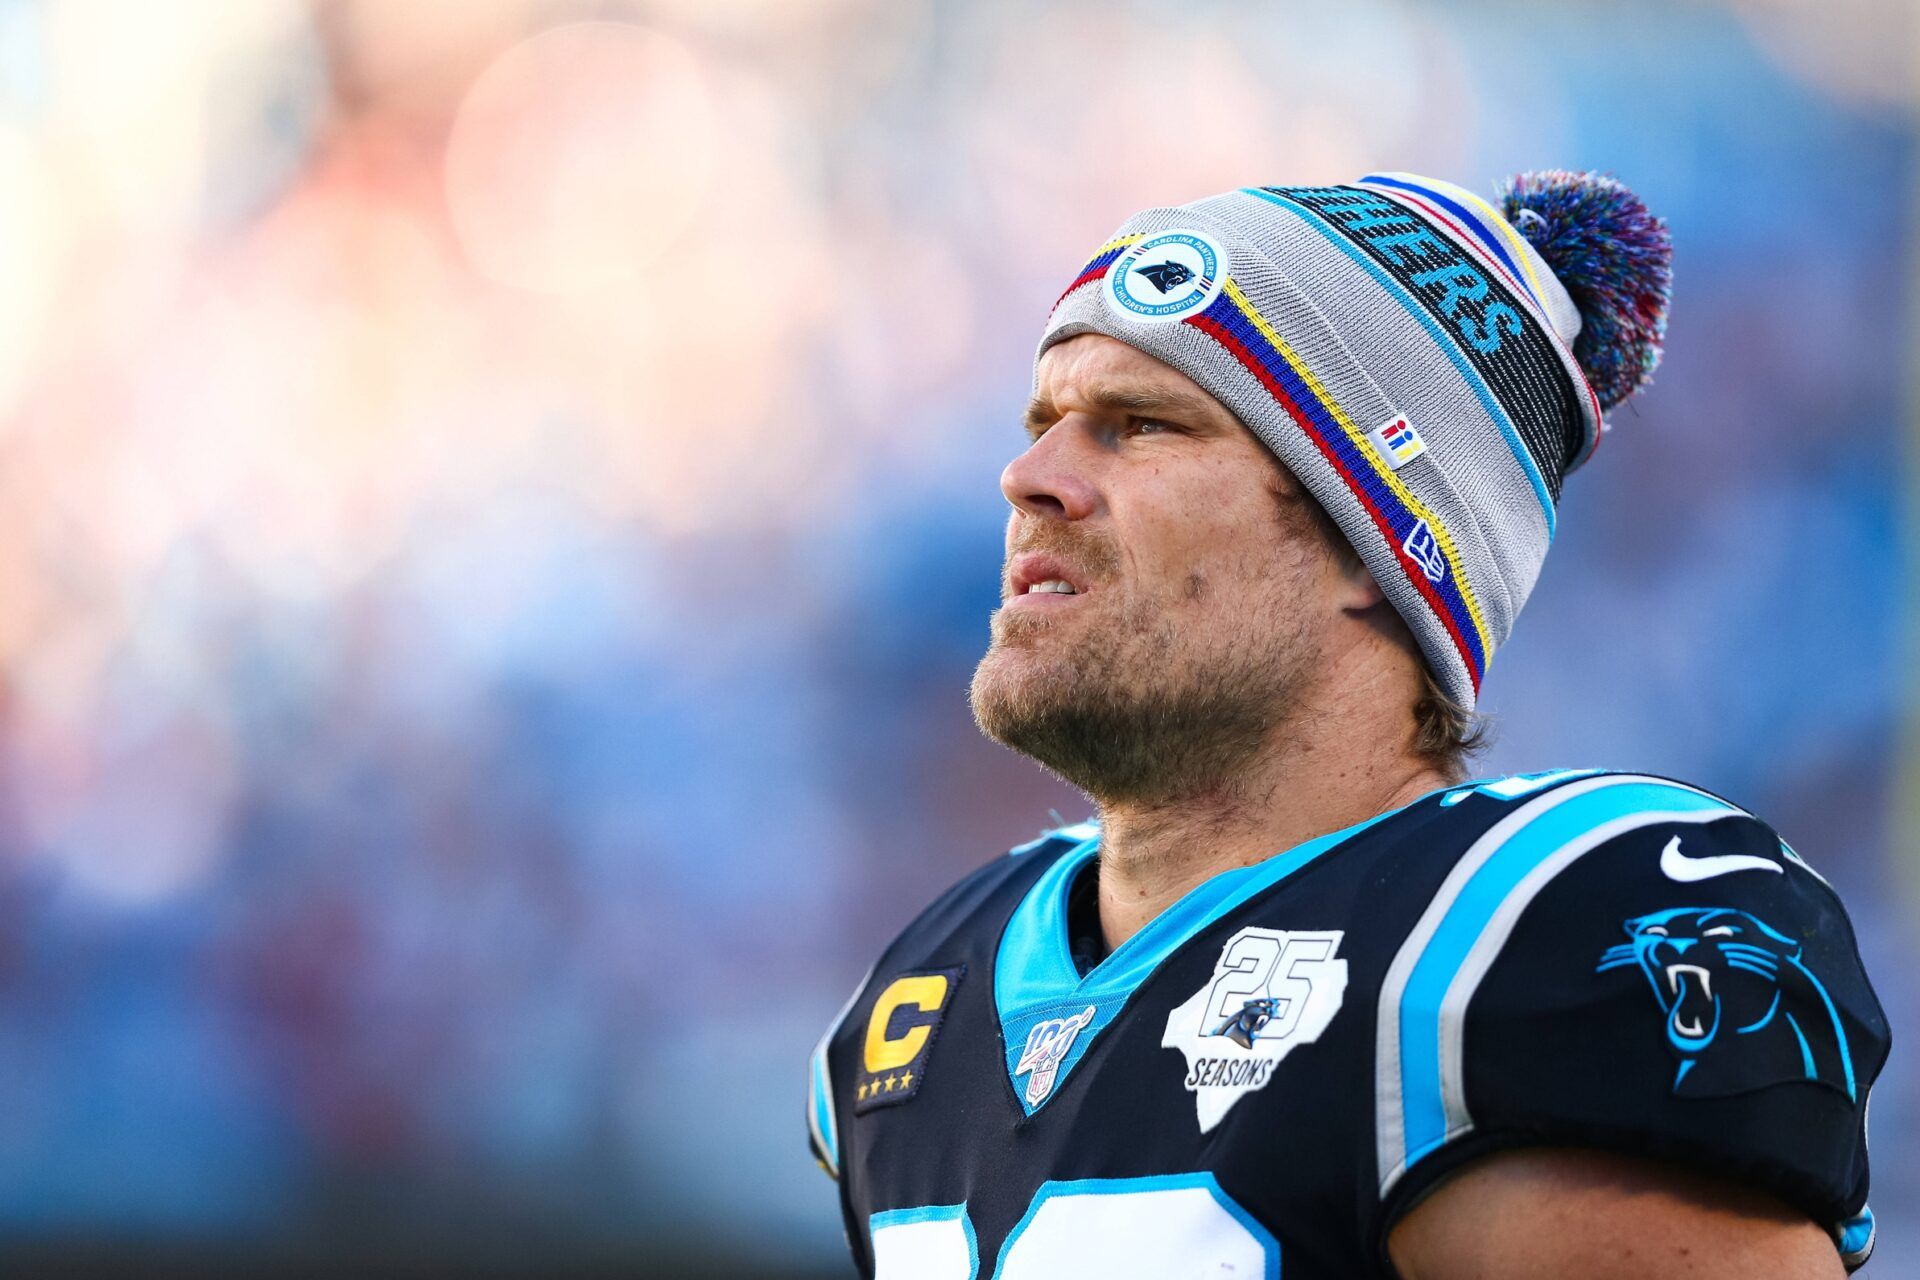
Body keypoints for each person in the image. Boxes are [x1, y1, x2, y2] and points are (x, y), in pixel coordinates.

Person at [805, 171, 1889, 1279]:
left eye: (1142, 425)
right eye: (1047, 423)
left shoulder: (1531, 936)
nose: (1030, 477)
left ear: (1378, 548)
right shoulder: (925, 995)